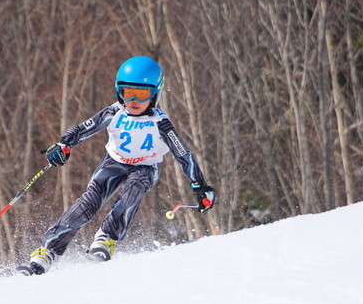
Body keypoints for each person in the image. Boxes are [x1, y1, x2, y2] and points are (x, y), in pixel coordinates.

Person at [17, 56, 215, 275]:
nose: (133, 100)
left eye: (142, 94)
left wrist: (200, 186)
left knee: (131, 195)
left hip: (145, 167)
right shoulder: (113, 113)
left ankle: (106, 238)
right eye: (127, 92)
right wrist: (63, 144)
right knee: (89, 203)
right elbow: (82, 130)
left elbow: (183, 154)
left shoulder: (160, 123)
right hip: (114, 162)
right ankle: (48, 251)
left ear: (155, 94)